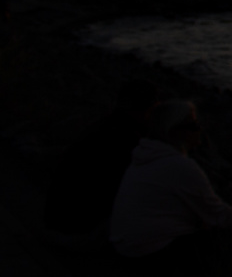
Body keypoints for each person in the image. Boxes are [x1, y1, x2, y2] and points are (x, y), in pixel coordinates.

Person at [108, 100, 232, 263]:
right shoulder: (179, 166)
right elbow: (218, 214)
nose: (200, 130)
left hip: (126, 248)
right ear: (174, 131)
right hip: (150, 253)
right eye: (193, 126)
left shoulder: (145, 157)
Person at [43, 79, 162, 244]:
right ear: (148, 109)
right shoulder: (124, 140)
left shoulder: (104, 128)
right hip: (77, 231)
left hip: (57, 222)